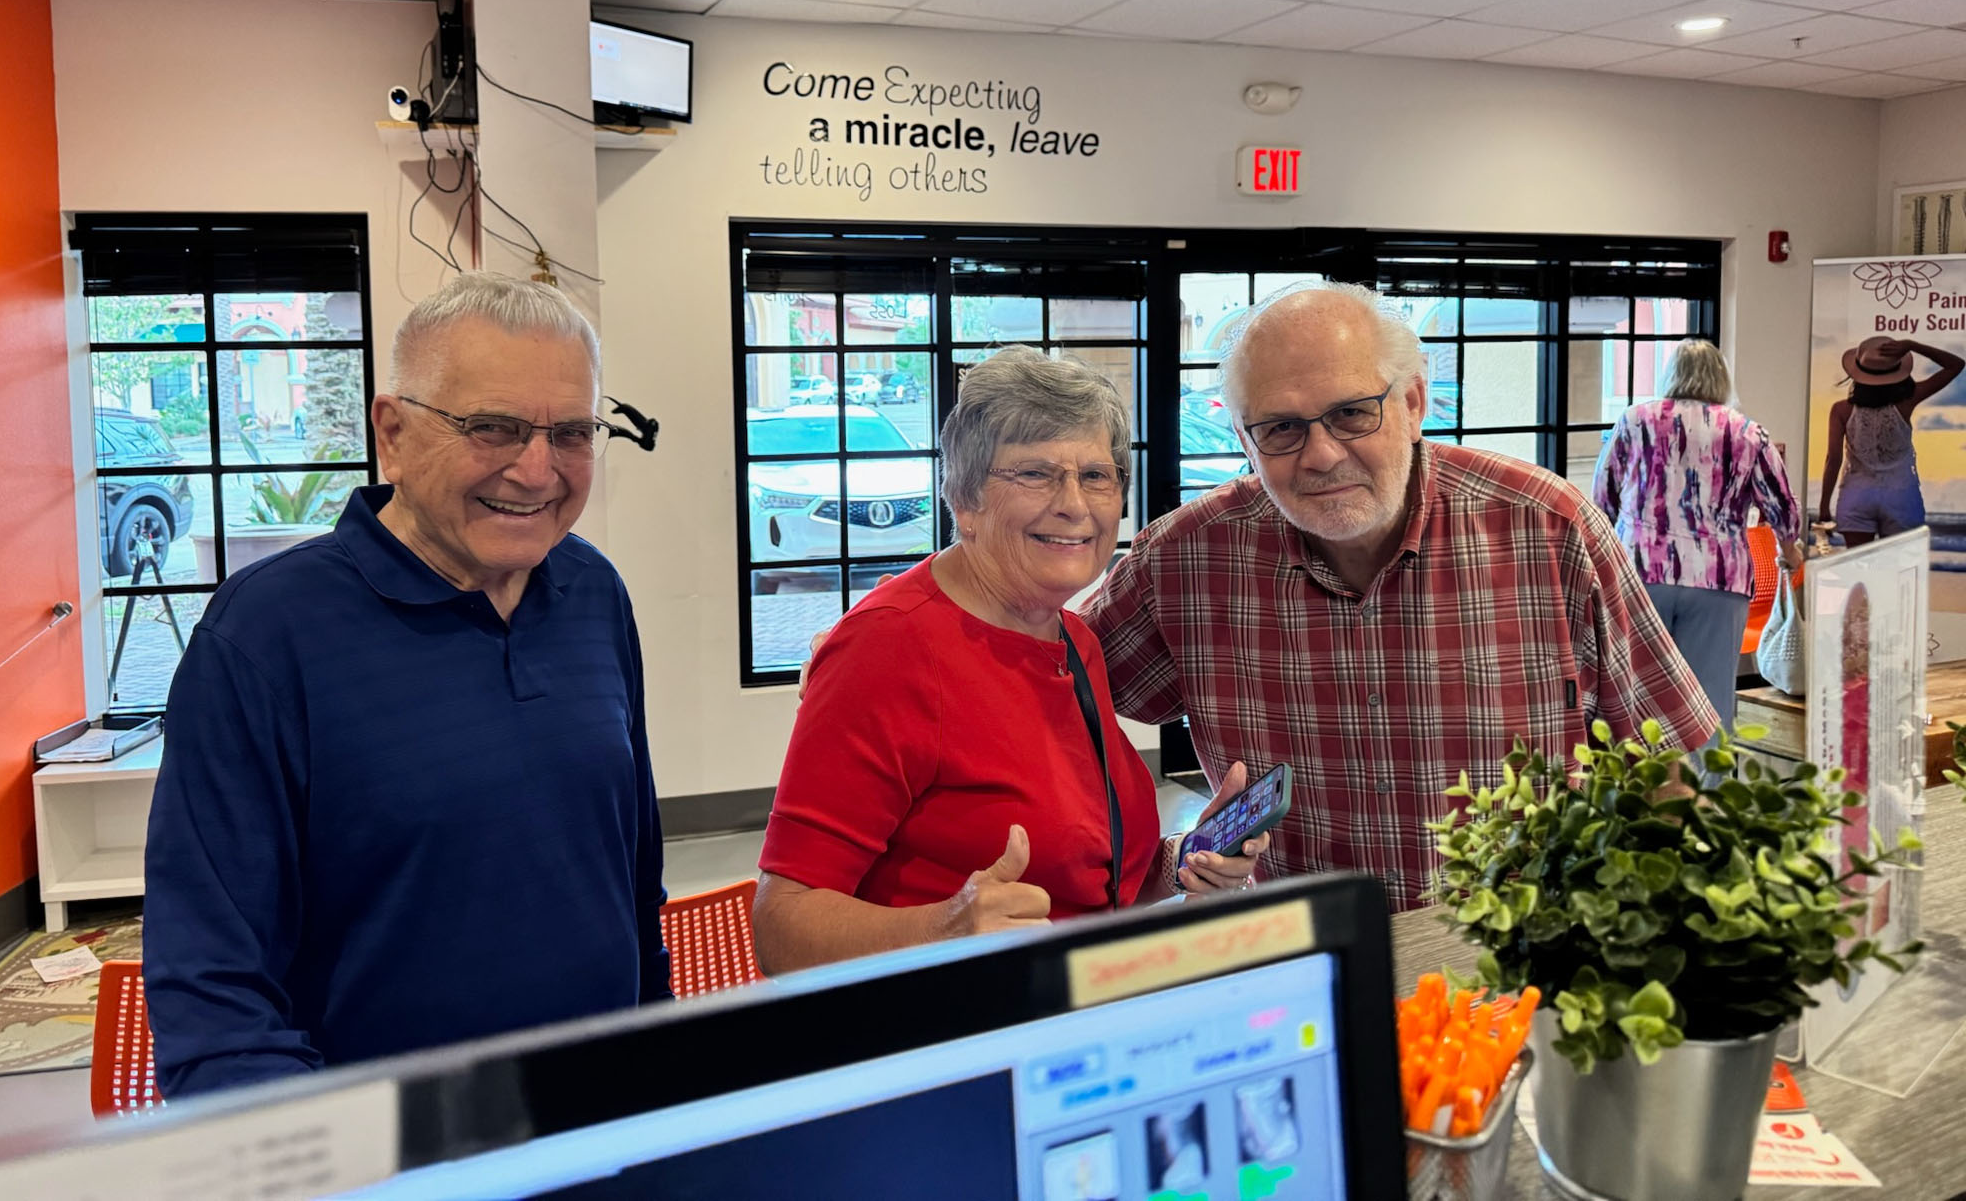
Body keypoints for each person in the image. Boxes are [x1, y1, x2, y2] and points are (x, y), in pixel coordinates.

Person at [144, 272, 669, 1097]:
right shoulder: (264, 637)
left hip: (599, 1131)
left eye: (571, 432)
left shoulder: (595, 594)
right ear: (392, 432)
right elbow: (213, 996)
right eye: (491, 428)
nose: (537, 472)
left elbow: (633, 885)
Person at [1086, 284, 1718, 912]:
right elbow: (1044, 701)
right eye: (1280, 428)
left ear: (1414, 401)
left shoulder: (1550, 532)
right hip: (1316, 964)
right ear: (1245, 439)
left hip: (1521, 961)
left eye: (1353, 413)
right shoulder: (1186, 560)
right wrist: (1159, 861)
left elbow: (1664, 767)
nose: (1323, 455)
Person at [754, 348, 1262, 974]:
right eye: (1034, 474)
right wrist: (947, 926)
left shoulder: (1073, 639)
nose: (1075, 504)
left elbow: (1087, 879)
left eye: (1097, 476)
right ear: (963, 500)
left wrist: (1183, 860)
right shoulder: (886, 649)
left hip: (1070, 1008)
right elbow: (781, 928)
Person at [1590, 339, 1804, 728]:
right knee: (1707, 701)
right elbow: (1782, 509)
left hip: (1640, 576)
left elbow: (1603, 498)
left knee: (1635, 695)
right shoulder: (1747, 432)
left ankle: (1637, 786)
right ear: (1722, 378)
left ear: (1671, 376)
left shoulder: (1635, 421)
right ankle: (1707, 787)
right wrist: (1791, 552)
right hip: (1719, 581)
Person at [1819, 335, 1963, 546]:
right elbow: (1955, 365)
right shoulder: (1908, 400)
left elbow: (1833, 459)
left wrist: (1824, 508)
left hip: (1857, 495)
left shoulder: (1841, 410)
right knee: (1897, 572)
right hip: (1901, 496)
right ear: (1897, 372)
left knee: (1859, 571)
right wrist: (1913, 345)